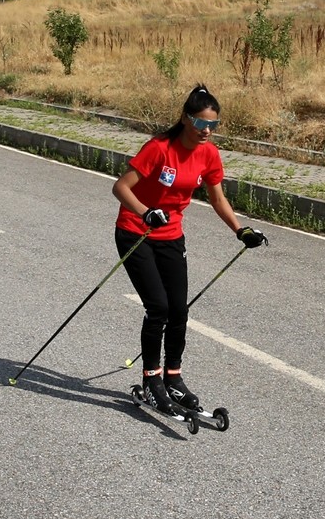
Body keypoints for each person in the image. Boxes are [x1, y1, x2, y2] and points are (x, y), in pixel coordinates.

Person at [111, 84, 267, 414]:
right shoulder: (159, 148)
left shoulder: (208, 154)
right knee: (159, 308)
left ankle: (173, 378)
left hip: (171, 236)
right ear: (185, 119)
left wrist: (241, 230)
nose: (206, 130)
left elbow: (218, 199)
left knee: (179, 311)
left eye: (213, 125)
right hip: (136, 232)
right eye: (200, 123)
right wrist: (146, 212)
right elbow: (121, 187)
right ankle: (152, 381)